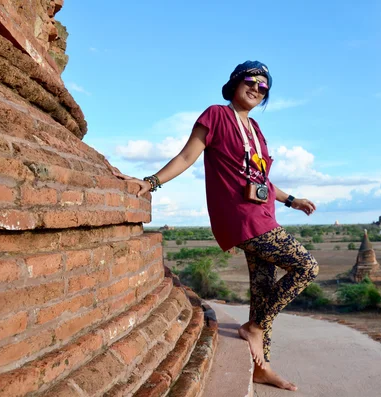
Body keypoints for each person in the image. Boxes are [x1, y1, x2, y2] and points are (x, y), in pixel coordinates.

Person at [110, 60, 319, 391]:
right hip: (241, 217)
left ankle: (261, 366)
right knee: (307, 267)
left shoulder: (257, 132)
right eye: (250, 81)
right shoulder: (216, 116)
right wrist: (151, 181)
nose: (256, 88)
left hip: (264, 214)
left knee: (263, 289)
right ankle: (255, 327)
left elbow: (261, 178)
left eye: (264, 87)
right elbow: (186, 157)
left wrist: (291, 199)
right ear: (235, 83)